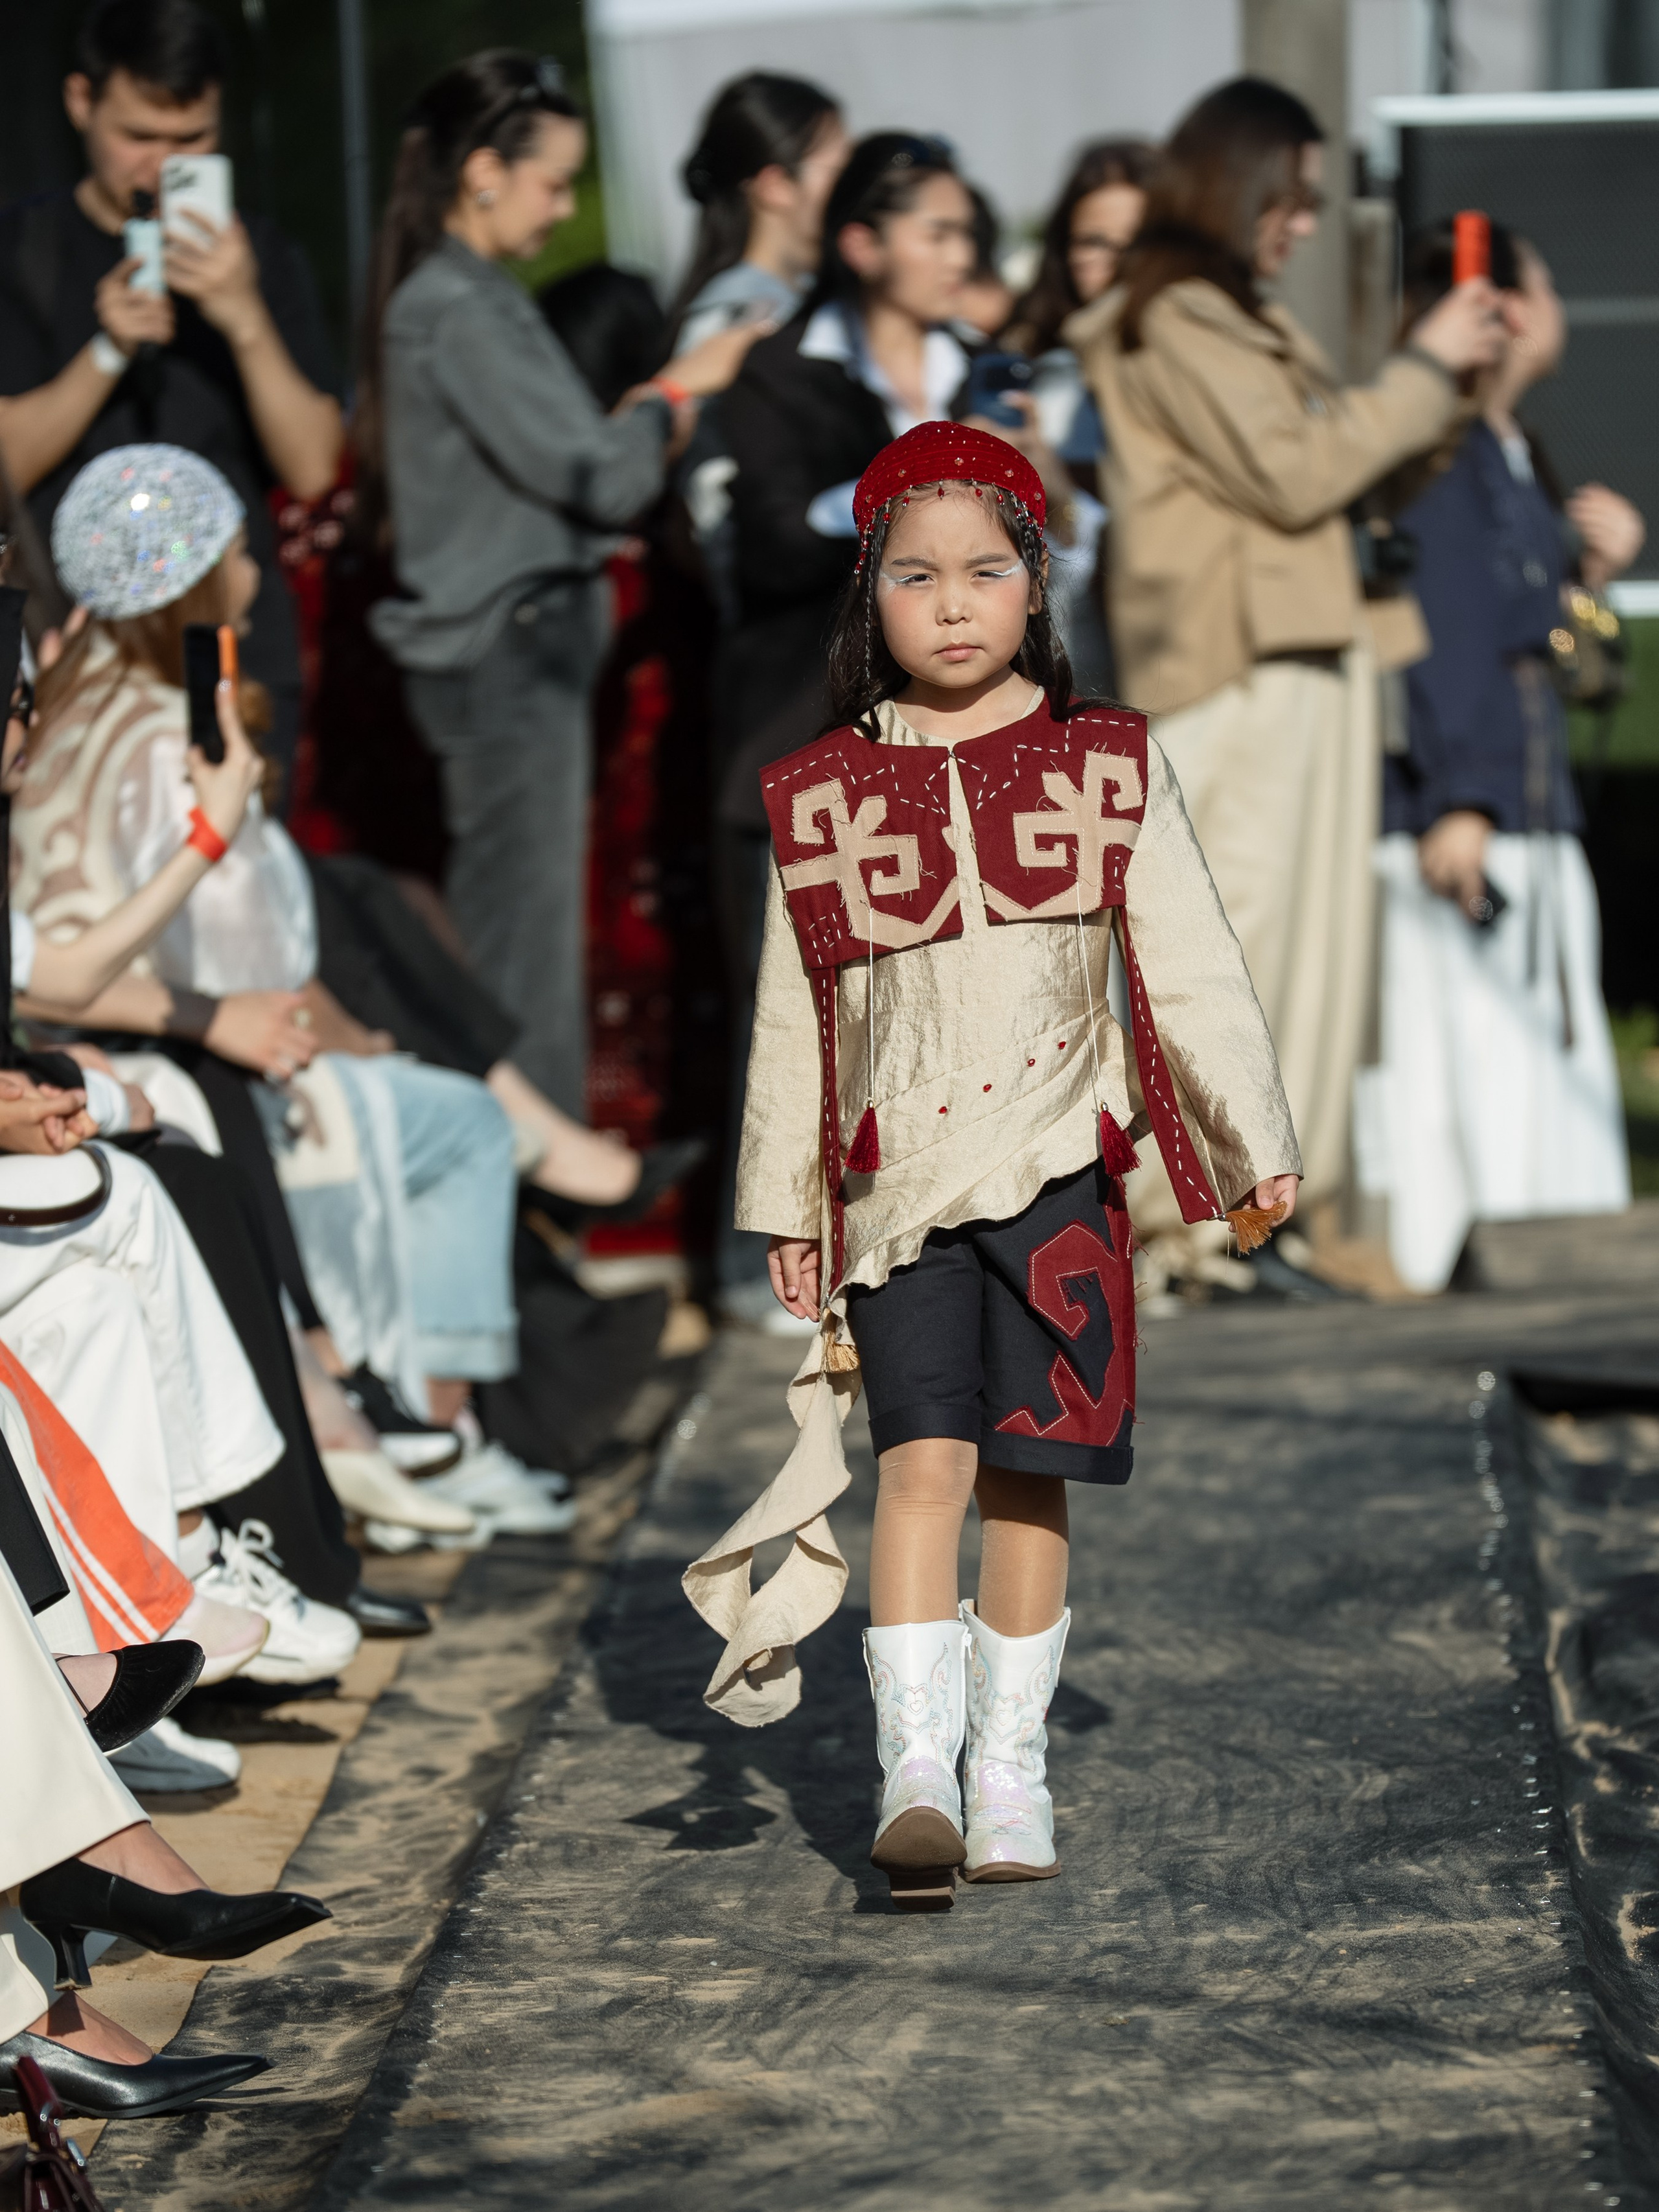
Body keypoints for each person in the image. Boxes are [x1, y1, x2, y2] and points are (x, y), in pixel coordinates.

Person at [684, 422, 1299, 1907]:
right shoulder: (824, 791)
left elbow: (1188, 964)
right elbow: (796, 1010)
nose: (951, 603)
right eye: (913, 575)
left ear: (1033, 582)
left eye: (982, 570)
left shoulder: (1106, 761)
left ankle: (1008, 1768)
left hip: (1060, 1169)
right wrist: (786, 1198)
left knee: (1029, 1478)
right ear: (868, 595)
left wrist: (1249, 1139)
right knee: (919, 1463)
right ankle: (915, 1767)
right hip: (896, 1194)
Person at [13, 445, 567, 1549]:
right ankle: (431, 1427)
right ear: (189, 585)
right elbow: (235, 956)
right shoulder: (170, 732)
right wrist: (340, 1032)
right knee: (462, 1122)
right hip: (175, 1041)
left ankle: (402, 1422)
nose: (257, 575)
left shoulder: (76, 700)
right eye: (236, 552)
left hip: (126, 1028)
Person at [1068, 76, 1504, 1294]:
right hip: (1235, 669)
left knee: (1303, 966)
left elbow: (1343, 475)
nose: (1305, 223)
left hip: (1299, 657)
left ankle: (1254, 1219)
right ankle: (1191, 1229)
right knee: (1239, 952)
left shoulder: (1229, 315)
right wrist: (1421, 365)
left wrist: (1446, 389)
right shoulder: (1175, 316)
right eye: (1293, 196)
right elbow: (1298, 469)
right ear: (1238, 182)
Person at [361, 49, 765, 1124]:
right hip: (504, 656)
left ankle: (539, 1191)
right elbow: (598, 476)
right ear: (483, 172)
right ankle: (538, 1199)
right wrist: (674, 392)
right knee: (522, 953)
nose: (561, 207)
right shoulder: (453, 305)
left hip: (515, 654)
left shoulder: (466, 296)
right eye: (552, 181)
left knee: (526, 939)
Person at [711, 132, 978, 1323]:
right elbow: (766, 546)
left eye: (969, 234)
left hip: (968, 735)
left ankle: (950, 1229)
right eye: (938, 231)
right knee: (796, 999)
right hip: (805, 723)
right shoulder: (780, 372)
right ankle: (766, 1255)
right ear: (863, 243)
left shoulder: (987, 369)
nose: (960, 256)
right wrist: (900, 489)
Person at [1360, 222, 1640, 1291]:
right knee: (1474, 1077)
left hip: (1515, 816)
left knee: (1525, 1075)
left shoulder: (1505, 455)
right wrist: (1466, 797)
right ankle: (1473, 1304)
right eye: (1548, 285)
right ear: (1508, 309)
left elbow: (1532, 645)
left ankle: (1544, 1295)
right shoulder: (1442, 460)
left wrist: (1587, 581)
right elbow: (1441, 635)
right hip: (1469, 828)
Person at [0, 0, 342, 795]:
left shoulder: (258, 257)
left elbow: (316, 467)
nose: (160, 167)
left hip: (237, 655)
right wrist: (107, 351)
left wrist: (244, 316)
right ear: (80, 101)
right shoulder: (22, 252)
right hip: (70, 653)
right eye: (139, 137)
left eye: (191, 141)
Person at [669, 73, 848, 351]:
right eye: (840, 171)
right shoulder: (738, 321)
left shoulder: (804, 295)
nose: (856, 185)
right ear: (776, 187)